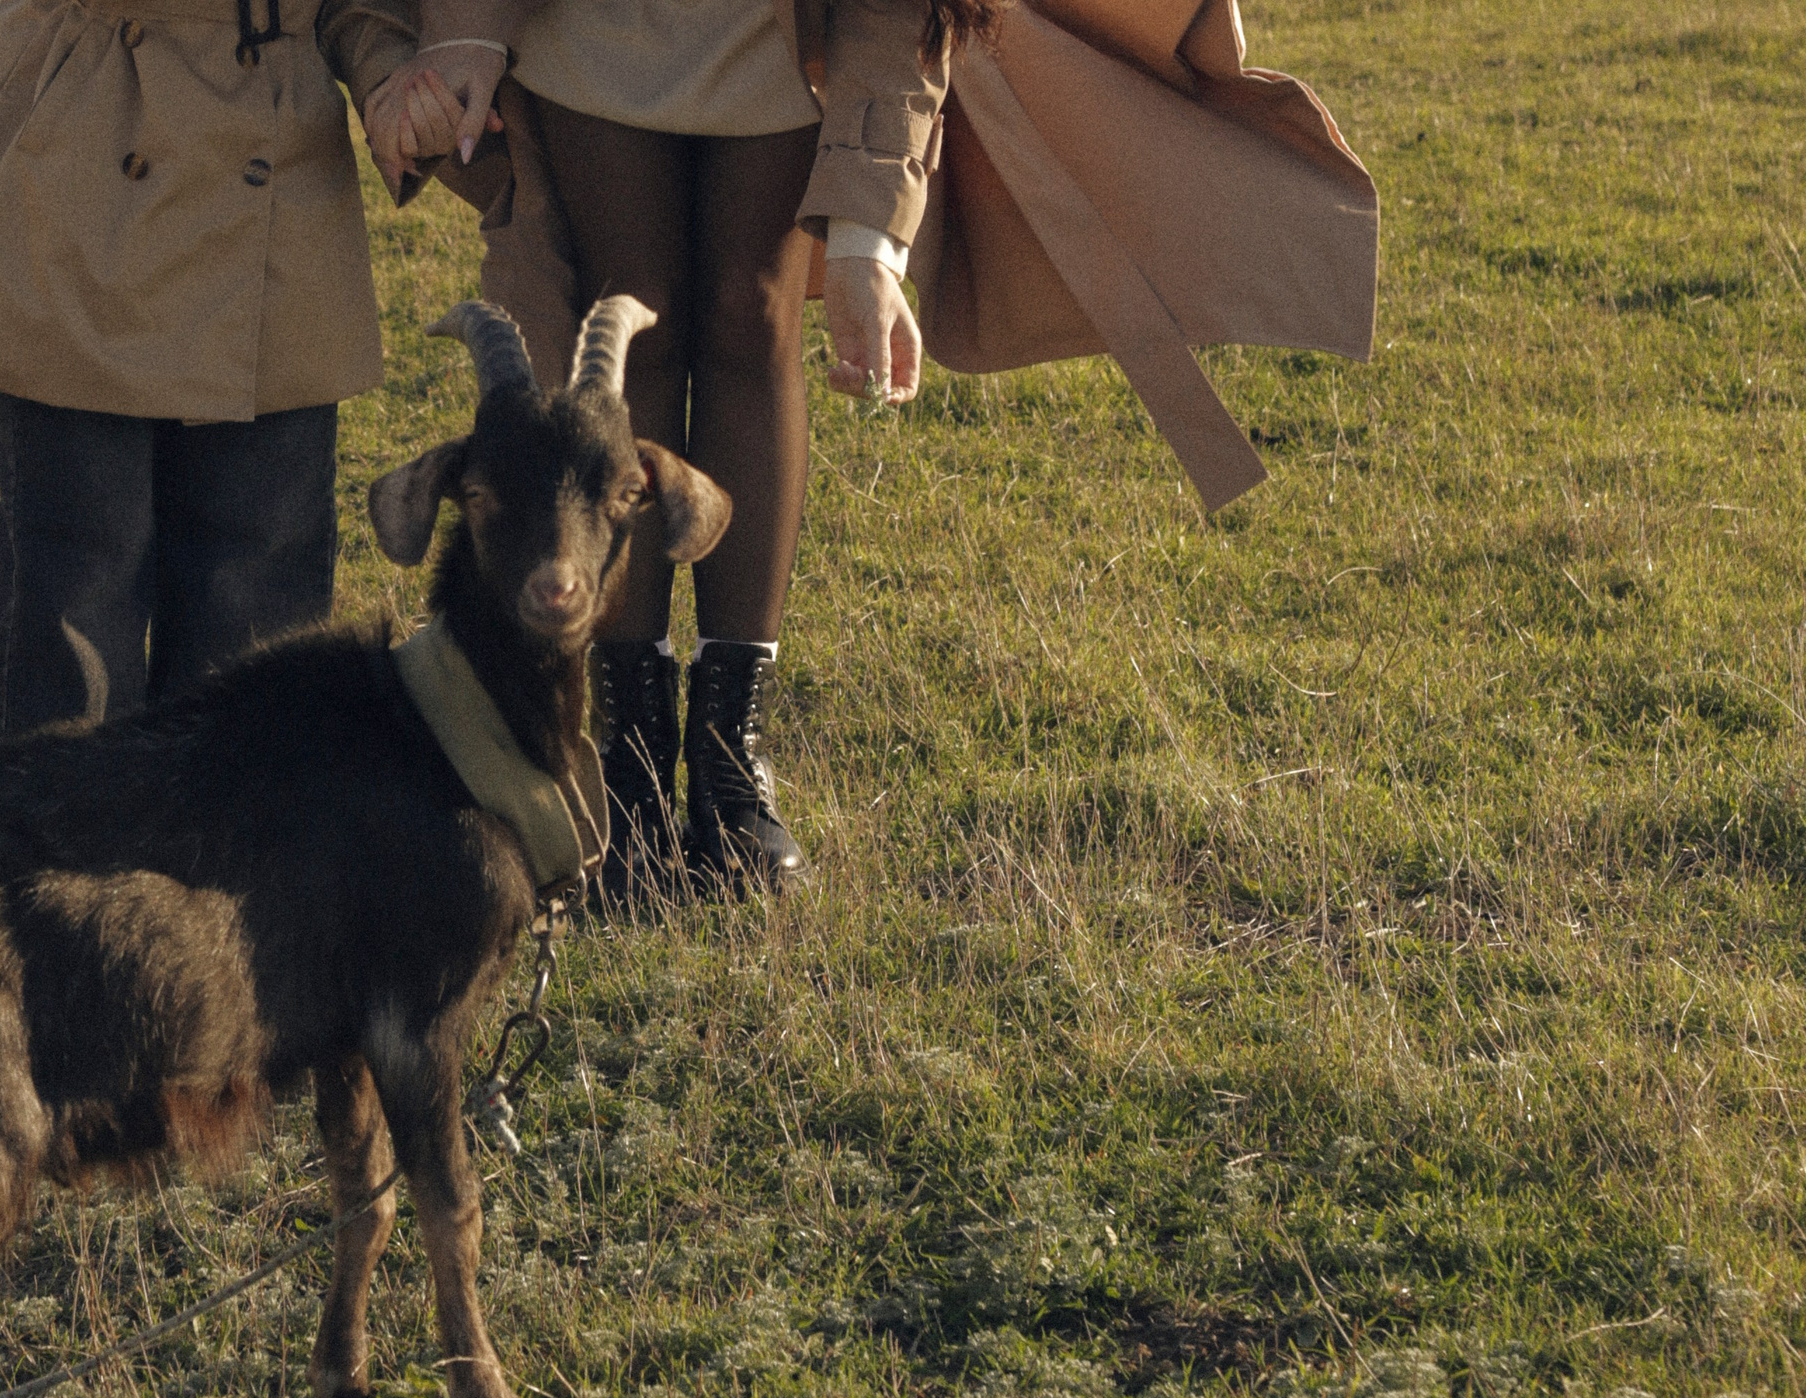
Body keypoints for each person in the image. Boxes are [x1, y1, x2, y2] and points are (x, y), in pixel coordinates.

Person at [369, 0, 1378, 901]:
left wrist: (867, 241)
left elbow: (899, 20)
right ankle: (626, 760)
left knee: (746, 317)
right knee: (637, 324)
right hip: (588, 32)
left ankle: (728, 750)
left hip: (784, 38)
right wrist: (461, 30)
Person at [0, 0, 427, 746]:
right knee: (74, 601)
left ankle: (225, 858)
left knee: (258, 615)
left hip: (282, 180)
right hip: (95, 138)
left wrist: (390, 74)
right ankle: (51, 857)